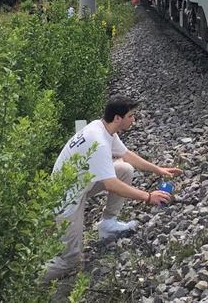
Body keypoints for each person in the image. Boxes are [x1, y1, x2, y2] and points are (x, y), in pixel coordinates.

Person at [42, 97, 182, 282]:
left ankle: (108, 225)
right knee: (70, 259)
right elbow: (111, 185)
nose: (134, 120)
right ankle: (24, 283)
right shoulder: (99, 142)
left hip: (81, 183)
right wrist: (148, 197)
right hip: (65, 198)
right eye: (131, 116)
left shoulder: (103, 128)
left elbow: (127, 156)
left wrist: (159, 169)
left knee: (124, 169)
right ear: (117, 118)